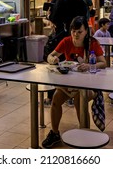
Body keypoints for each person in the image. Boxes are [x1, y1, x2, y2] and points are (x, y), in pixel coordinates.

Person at [42, 16, 106, 148]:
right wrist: (51, 59)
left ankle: (85, 134)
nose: (75, 35)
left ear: (86, 32)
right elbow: (51, 55)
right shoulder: (66, 41)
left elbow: (103, 63)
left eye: (79, 32)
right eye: (73, 31)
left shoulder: (92, 43)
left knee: (79, 99)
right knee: (55, 100)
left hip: (89, 84)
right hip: (70, 83)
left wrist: (89, 66)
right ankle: (54, 133)